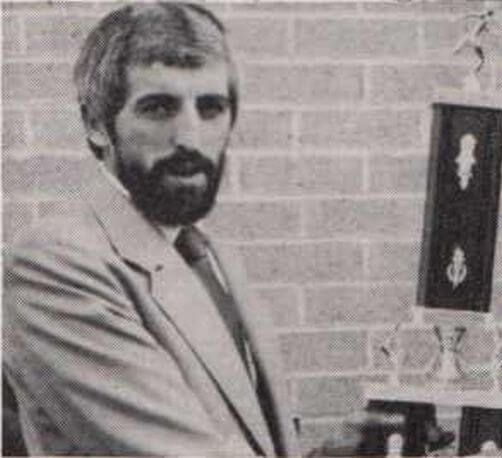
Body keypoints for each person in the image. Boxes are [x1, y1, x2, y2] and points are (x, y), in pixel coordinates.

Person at [2, 3, 301, 455]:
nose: (190, 137)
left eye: (211, 108)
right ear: (96, 125)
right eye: (159, 108)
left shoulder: (214, 255)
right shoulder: (56, 263)